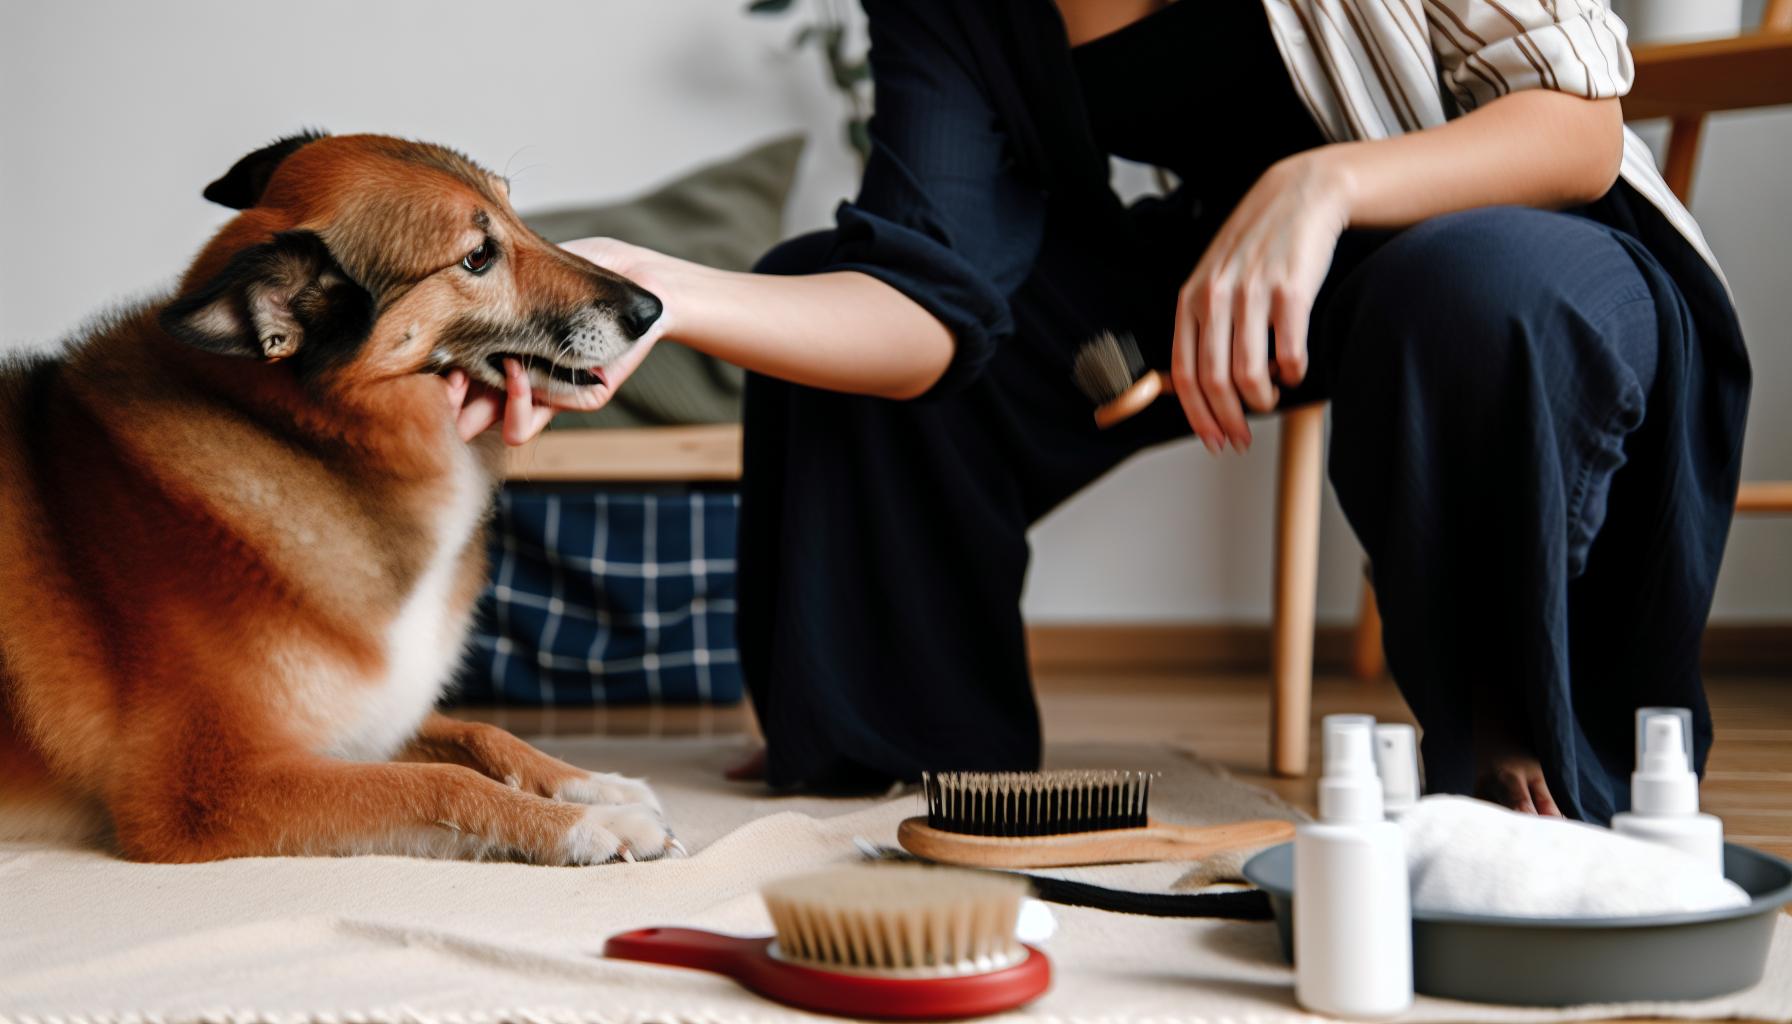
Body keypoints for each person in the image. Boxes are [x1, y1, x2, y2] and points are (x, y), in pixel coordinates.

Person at [465, 0, 1748, 823]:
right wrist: (664, 293)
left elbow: (1576, 127)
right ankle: (901, 753)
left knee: (1463, 287)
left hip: (1525, 236)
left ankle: (1539, 762)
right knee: (807, 284)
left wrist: (1324, 187)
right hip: (1222, 269)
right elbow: (923, 304)